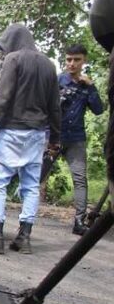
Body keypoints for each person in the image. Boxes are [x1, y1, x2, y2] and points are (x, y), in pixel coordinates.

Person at [0, 23, 61, 255]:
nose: (3, 52)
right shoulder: (49, 65)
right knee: (30, 186)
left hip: (12, 131)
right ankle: (24, 237)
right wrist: (55, 138)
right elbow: (55, 106)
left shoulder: (13, 59)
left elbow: (3, 96)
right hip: (37, 134)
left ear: (13, 42)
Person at [58, 44, 103, 235]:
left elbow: (99, 110)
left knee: (80, 179)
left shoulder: (87, 85)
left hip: (76, 138)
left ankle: (79, 222)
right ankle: (25, 224)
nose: (72, 63)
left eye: (76, 59)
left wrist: (91, 87)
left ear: (84, 60)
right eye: (69, 59)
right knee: (35, 177)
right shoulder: (58, 80)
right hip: (53, 137)